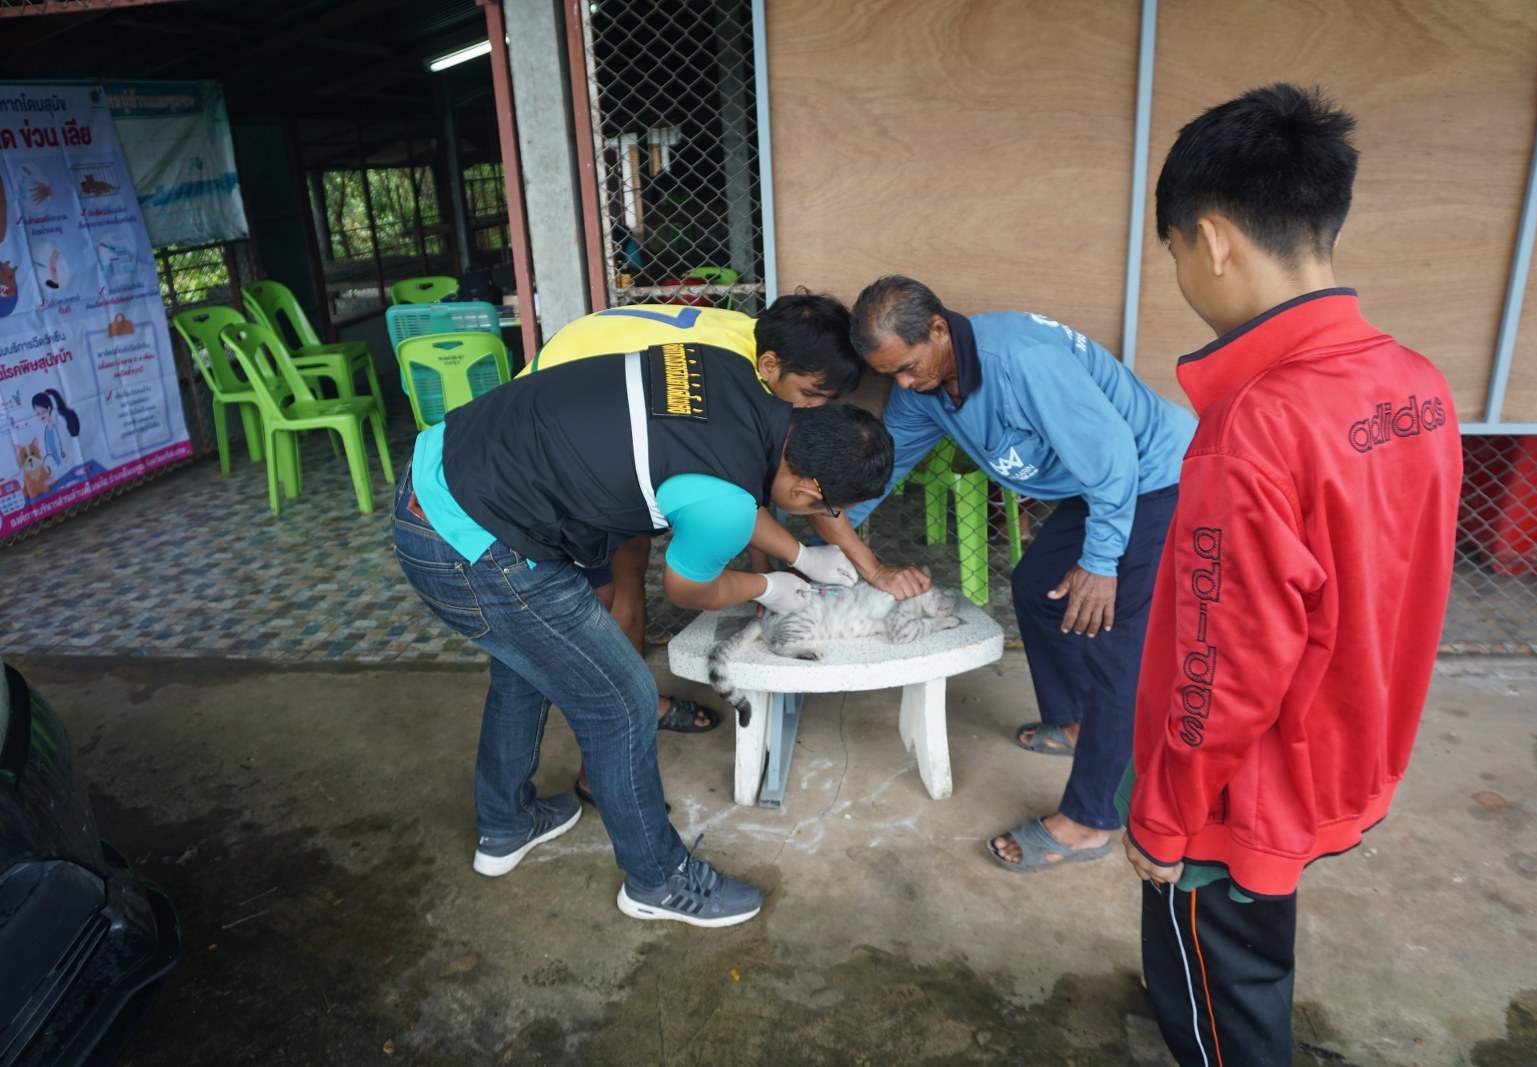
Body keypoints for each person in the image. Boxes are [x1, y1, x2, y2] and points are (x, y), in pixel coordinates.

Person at [1122, 84, 1462, 1065]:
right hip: (1344, 750)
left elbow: (1220, 664)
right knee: (1247, 957)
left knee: (1220, 993)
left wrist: (1163, 815)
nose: (1183, 273)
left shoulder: (1254, 425)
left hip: (1237, 793)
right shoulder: (1415, 383)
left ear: (1213, 239)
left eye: (1174, 250)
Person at [392, 340, 892, 927]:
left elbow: (722, 484)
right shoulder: (725, 502)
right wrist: (770, 587)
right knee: (622, 701)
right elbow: (688, 587)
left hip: (438, 477)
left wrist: (802, 557)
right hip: (472, 546)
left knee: (525, 667)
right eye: (828, 509)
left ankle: (506, 825)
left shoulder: (730, 374)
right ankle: (659, 881)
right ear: (808, 491)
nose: (823, 517)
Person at [812, 275, 1196, 869]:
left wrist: (1100, 564)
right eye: (890, 375)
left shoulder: (1022, 362)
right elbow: (882, 475)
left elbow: (1115, 458)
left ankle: (1091, 820)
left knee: (1117, 644)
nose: (903, 385)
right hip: (1097, 484)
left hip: (1157, 480)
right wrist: (823, 543)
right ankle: (1078, 723)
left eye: (908, 367)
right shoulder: (923, 388)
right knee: (1039, 588)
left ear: (938, 329)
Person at [525, 295, 865, 769]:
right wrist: (768, 583)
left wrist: (787, 561)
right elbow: (702, 553)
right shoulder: (731, 383)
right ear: (770, 366)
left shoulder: (751, 348)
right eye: (809, 394)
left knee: (629, 563)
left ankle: (635, 711)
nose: (812, 409)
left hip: (606, 424)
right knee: (597, 605)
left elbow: (737, 490)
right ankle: (607, 756)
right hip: (555, 435)